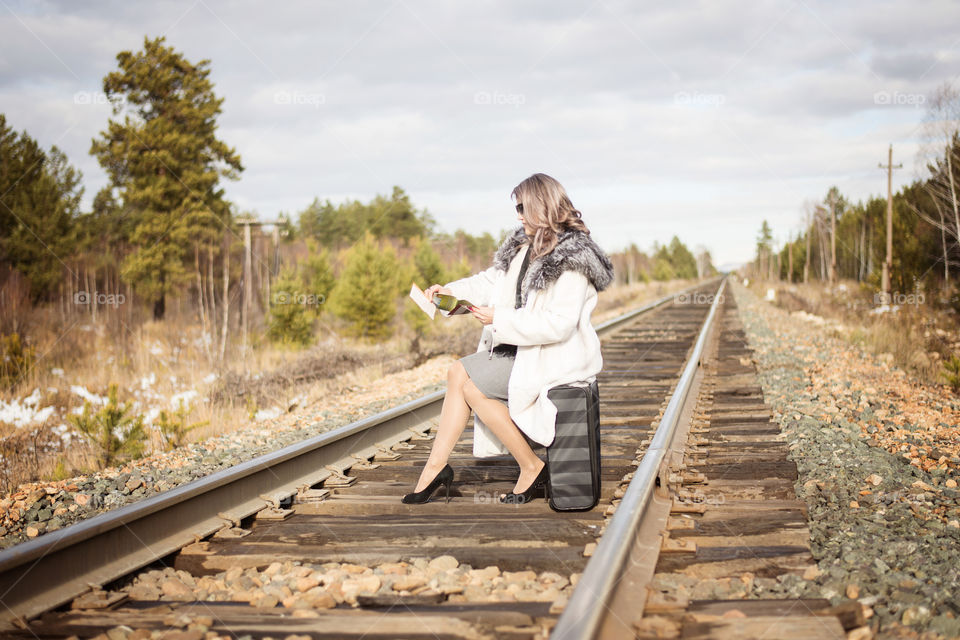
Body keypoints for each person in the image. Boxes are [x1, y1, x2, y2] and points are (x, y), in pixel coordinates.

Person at [402, 173, 614, 505]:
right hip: (520, 349)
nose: (517, 215)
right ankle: (525, 466)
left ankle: (440, 468)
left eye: (522, 207)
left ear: (541, 207)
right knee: (467, 383)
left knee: (461, 374)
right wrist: (449, 293)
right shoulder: (523, 247)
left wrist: (500, 319)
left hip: (553, 356)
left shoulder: (573, 259)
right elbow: (490, 282)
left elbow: (558, 325)